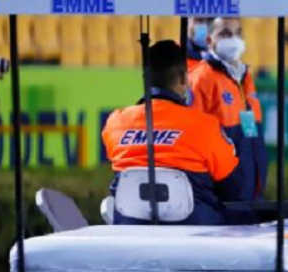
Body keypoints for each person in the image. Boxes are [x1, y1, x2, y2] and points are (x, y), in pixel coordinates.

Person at [102, 41, 244, 225]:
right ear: (184, 79)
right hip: (197, 236)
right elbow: (234, 187)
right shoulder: (205, 126)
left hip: (132, 231)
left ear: (145, 79)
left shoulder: (115, 122)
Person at [190, 17, 267, 202]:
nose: (234, 39)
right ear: (209, 40)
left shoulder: (245, 77)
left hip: (251, 191)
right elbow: (194, 140)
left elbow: (251, 132)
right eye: (225, 33)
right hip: (222, 196)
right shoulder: (201, 78)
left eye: (238, 33)